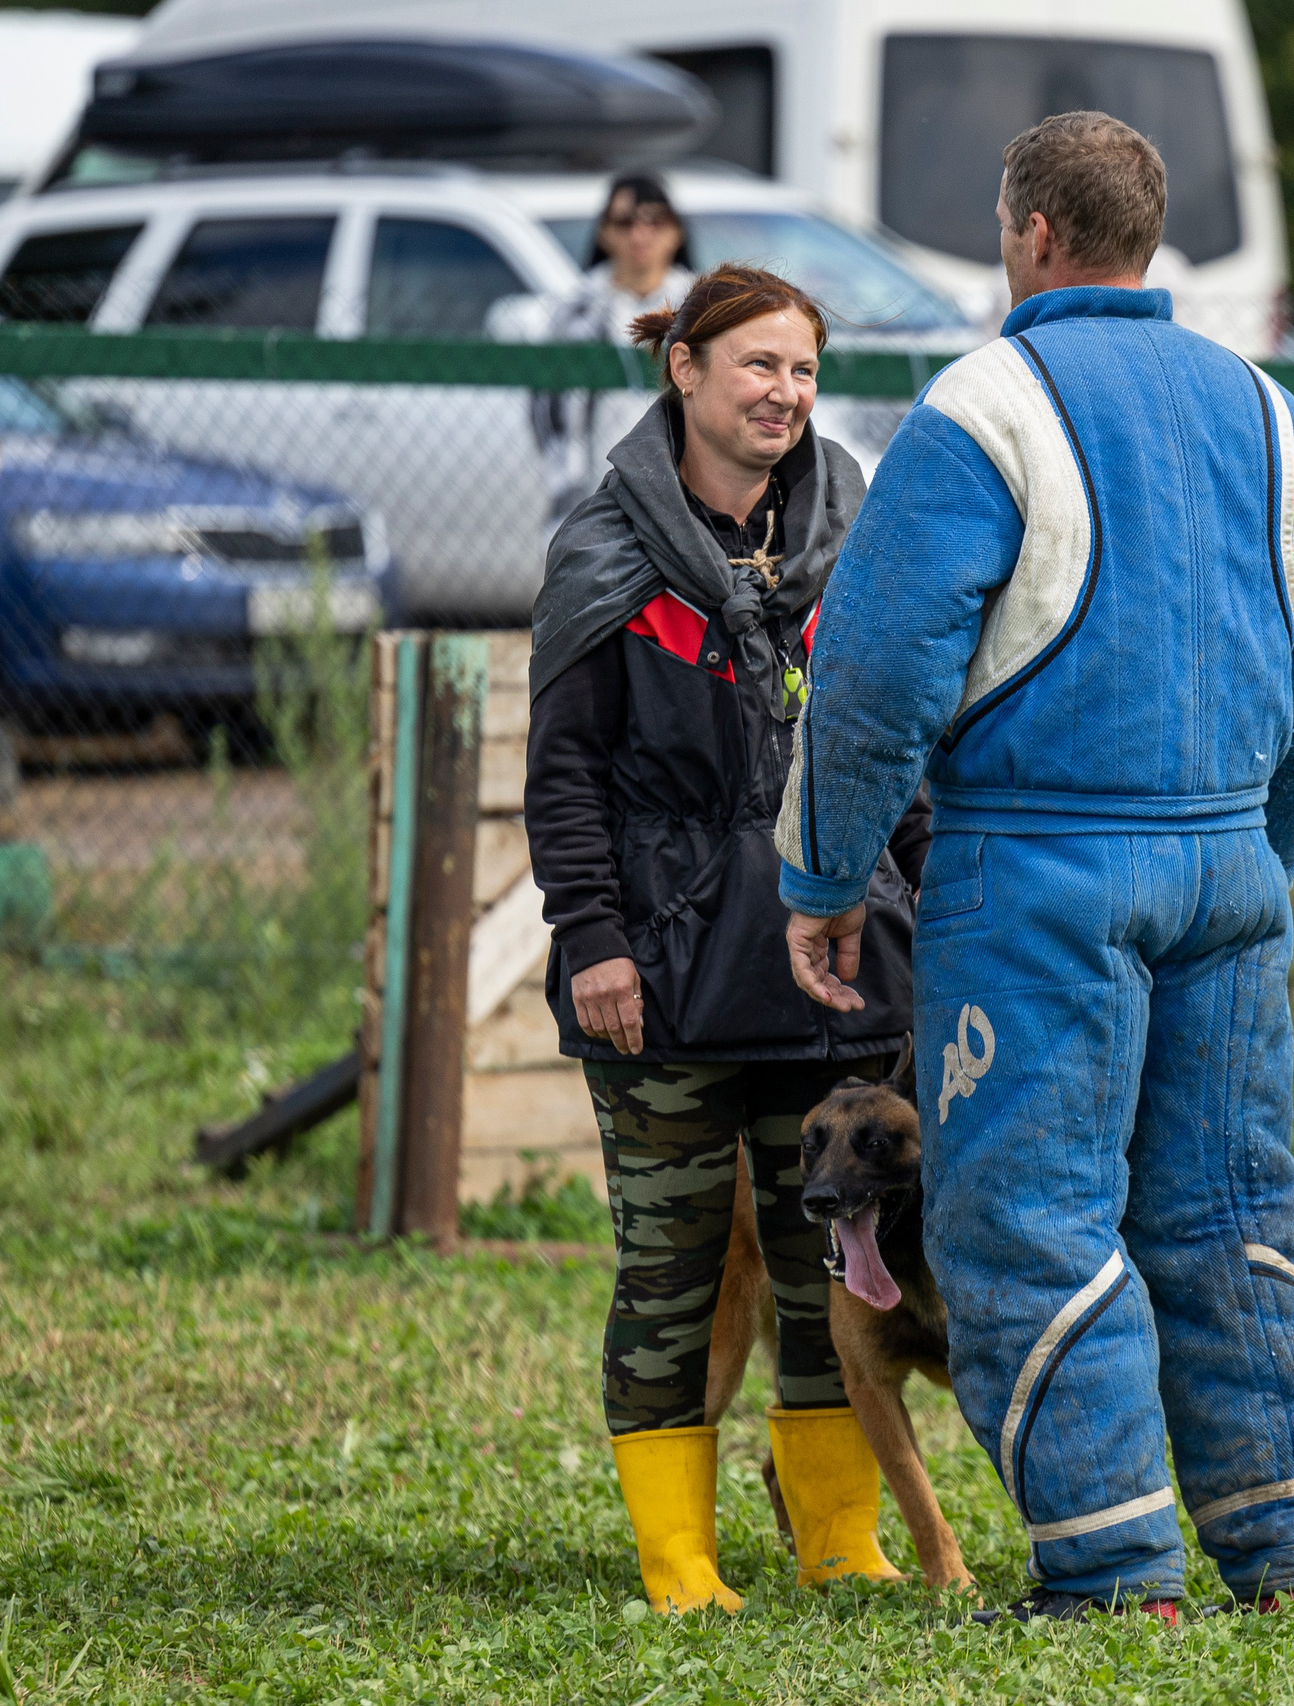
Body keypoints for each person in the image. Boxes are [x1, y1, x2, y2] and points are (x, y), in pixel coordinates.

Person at [775, 112, 1294, 1621]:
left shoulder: (983, 406)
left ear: (1026, 231)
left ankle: (1115, 1574)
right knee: (1229, 1207)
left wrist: (830, 874)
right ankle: (1291, 1551)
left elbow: (878, 668)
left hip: (1036, 881)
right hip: (1225, 871)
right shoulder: (1265, 408)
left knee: (1030, 1220)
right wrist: (1258, 849)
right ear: (1146, 235)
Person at [526, 262, 929, 1614]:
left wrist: (925, 902)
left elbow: (895, 739)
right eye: (756, 363)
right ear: (684, 372)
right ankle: (679, 1555)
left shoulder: (854, 535)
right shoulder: (605, 554)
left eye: (804, 369)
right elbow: (565, 769)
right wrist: (594, 937)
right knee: (672, 1267)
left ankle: (836, 1535)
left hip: (832, 963)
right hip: (665, 971)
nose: (784, 392)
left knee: (835, 1264)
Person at [530, 173, 697, 524]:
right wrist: (570, 503)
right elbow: (554, 417)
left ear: (676, 232)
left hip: (690, 494)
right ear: (603, 233)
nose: (640, 234)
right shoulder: (577, 309)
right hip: (600, 496)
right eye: (624, 221)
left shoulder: (703, 306)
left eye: (654, 220)